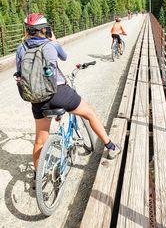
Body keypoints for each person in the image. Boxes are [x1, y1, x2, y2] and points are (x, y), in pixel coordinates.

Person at [15, 13, 121, 187]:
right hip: (58, 93)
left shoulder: (21, 48)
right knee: (90, 113)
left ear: (27, 30)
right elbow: (64, 57)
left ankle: (38, 174)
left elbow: (21, 72)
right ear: (44, 29)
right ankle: (111, 147)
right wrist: (54, 41)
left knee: (40, 140)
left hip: (36, 99)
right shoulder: (50, 45)